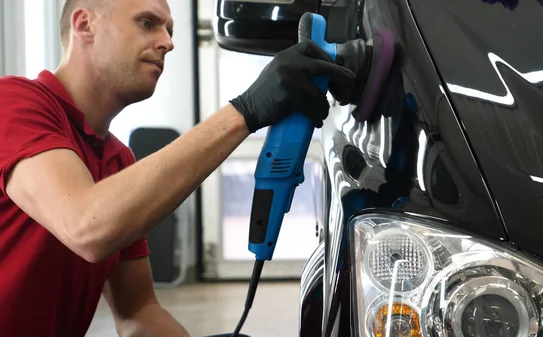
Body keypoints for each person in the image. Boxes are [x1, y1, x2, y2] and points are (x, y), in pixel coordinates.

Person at [0, 0, 355, 336]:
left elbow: (138, 312)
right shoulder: (14, 102)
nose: (168, 43)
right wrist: (246, 110)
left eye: (169, 30)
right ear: (85, 24)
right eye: (147, 22)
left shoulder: (117, 161)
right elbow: (86, 226)